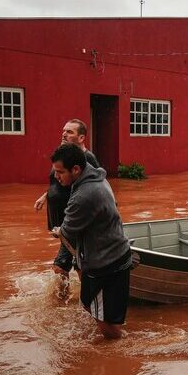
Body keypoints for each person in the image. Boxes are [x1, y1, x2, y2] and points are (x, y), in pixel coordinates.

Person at [50, 143, 131, 340]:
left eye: (60, 172)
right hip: (111, 255)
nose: (56, 176)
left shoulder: (85, 195)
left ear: (76, 169)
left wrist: (59, 231)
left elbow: (67, 231)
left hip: (106, 264)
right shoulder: (95, 177)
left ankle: (120, 352)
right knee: (90, 305)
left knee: (105, 324)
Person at [34, 119, 100, 276]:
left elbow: (96, 186)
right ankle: (81, 297)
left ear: (82, 138)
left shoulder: (87, 159)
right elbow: (58, 182)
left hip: (76, 222)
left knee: (62, 267)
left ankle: (74, 299)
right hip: (65, 222)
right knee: (78, 262)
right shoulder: (63, 155)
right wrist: (46, 196)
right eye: (64, 130)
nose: (64, 134)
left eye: (69, 132)